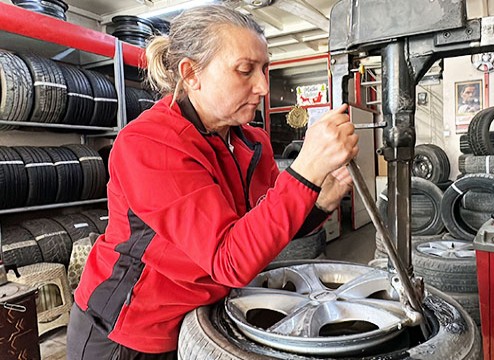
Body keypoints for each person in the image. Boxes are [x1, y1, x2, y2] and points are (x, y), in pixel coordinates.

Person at [67, 5, 358, 359]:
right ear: (191, 74)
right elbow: (228, 259)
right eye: (245, 70)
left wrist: (317, 203)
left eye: (264, 68)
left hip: (203, 318)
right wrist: (305, 171)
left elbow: (261, 230)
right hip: (129, 331)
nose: (263, 86)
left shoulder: (251, 141)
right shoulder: (149, 144)